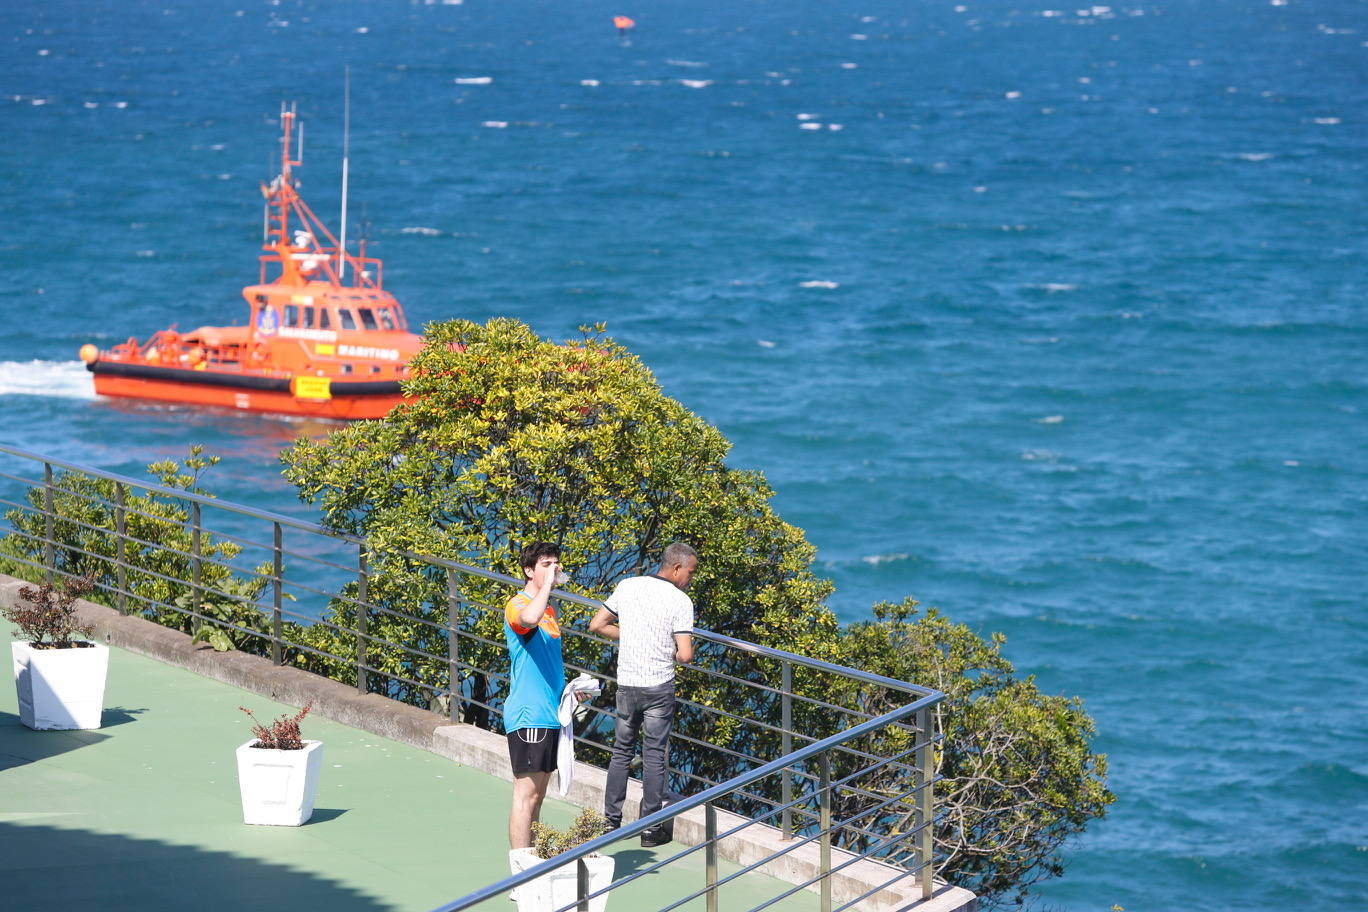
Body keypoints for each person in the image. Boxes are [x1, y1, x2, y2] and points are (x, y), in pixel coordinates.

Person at [589, 542, 698, 847]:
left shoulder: (628, 585)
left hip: (627, 684)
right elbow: (685, 655)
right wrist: (671, 651)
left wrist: (634, 634)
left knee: (621, 751)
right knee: (653, 756)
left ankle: (610, 821)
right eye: (690, 572)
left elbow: (597, 624)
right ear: (677, 568)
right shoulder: (680, 600)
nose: (690, 578)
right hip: (658, 688)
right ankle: (650, 828)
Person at [504, 541, 567, 849]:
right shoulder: (518, 604)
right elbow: (527, 620)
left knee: (538, 796)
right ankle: (520, 871)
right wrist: (546, 587)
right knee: (525, 795)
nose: (553, 569)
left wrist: (570, 693)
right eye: (545, 564)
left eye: (555, 563)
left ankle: (532, 863)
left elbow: (548, 663)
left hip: (550, 714)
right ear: (528, 570)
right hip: (528, 714)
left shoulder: (550, 611)